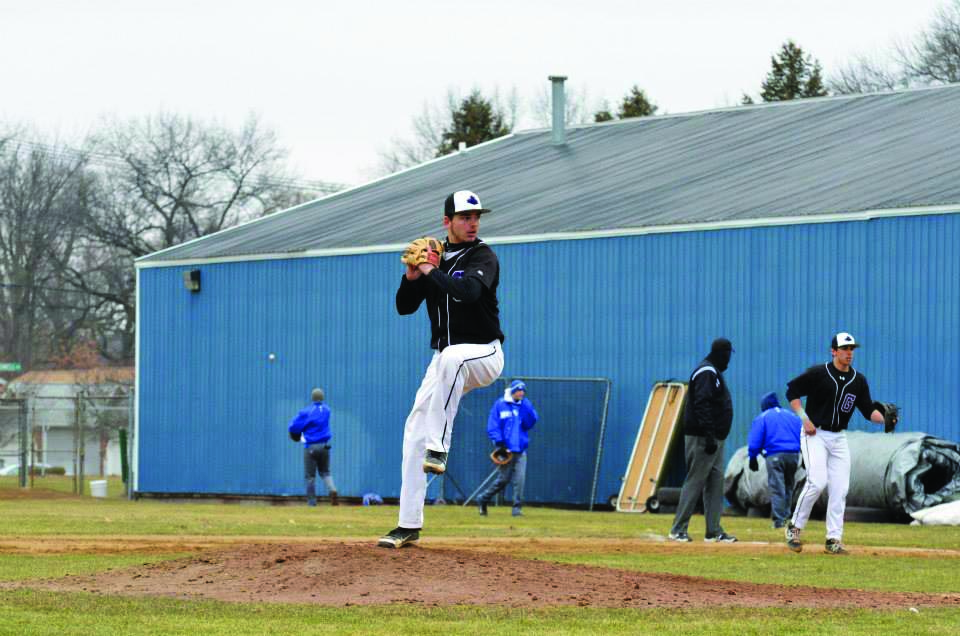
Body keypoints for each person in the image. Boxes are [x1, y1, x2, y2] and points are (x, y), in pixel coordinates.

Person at [378, 190, 505, 549]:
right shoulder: (437, 259)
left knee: (453, 359)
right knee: (413, 430)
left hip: (484, 354)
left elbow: (467, 292)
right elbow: (404, 307)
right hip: (445, 359)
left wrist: (431, 269)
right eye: (465, 217)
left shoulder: (484, 255)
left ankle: (439, 447)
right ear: (447, 221)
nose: (473, 222)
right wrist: (412, 276)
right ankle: (408, 524)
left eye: (476, 216)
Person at [784, 332, 893, 555]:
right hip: (815, 434)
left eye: (852, 349)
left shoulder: (858, 380)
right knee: (816, 482)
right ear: (834, 351)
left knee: (840, 489)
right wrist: (804, 418)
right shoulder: (818, 373)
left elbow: (867, 410)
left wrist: (885, 419)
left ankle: (833, 539)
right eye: (845, 349)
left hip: (839, 437)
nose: (849, 353)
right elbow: (792, 391)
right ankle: (794, 528)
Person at [668, 337, 738, 543]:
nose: (728, 360)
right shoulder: (707, 371)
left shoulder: (712, 372)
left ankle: (713, 531)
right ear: (721, 353)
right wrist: (708, 435)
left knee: (716, 483)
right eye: (727, 354)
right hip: (702, 437)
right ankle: (677, 529)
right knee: (695, 480)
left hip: (714, 438)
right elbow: (702, 403)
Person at [477, 379, 539, 517]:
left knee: (520, 480)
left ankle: (517, 509)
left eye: (523, 391)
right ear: (512, 391)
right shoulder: (500, 404)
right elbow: (493, 425)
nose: (521, 393)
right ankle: (483, 499)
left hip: (520, 449)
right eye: (518, 390)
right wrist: (500, 443)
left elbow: (530, 423)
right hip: (506, 450)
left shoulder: (524, 404)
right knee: (503, 480)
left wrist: (528, 409)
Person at [747, 391, 801, 529]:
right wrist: (806, 457)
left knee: (777, 487)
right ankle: (787, 516)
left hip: (775, 455)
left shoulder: (763, 417)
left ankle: (779, 520)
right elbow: (804, 436)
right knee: (789, 486)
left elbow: (755, 441)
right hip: (793, 455)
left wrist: (752, 457)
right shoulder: (792, 417)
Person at [288, 388, 338, 506]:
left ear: (312, 398)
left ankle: (312, 502)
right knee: (325, 472)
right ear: (322, 397)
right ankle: (332, 489)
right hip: (325, 446)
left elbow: (293, 427)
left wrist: (298, 433)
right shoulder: (327, 410)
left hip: (311, 447)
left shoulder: (307, 412)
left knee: (310, 476)